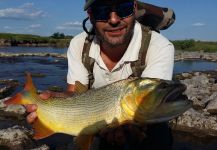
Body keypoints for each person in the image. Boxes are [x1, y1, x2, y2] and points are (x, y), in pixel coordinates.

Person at [25, 0, 175, 149]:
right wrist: (54, 99)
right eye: (102, 11)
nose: (114, 20)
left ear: (134, 8)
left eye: (123, 8)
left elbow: (152, 104)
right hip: (93, 117)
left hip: (143, 125)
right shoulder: (79, 44)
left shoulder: (159, 47)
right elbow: (74, 94)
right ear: (90, 15)